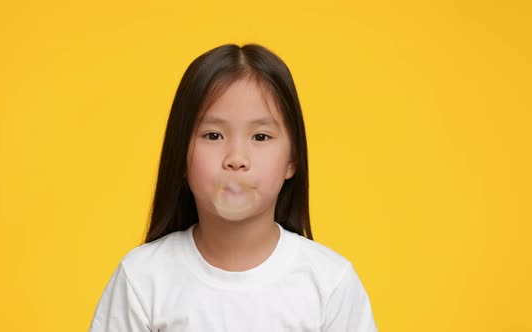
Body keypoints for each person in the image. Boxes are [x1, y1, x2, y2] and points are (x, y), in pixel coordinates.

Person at [88, 43, 378, 331]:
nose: (236, 159)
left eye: (261, 137)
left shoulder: (330, 284)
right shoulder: (142, 279)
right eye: (213, 135)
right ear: (181, 159)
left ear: (292, 160)